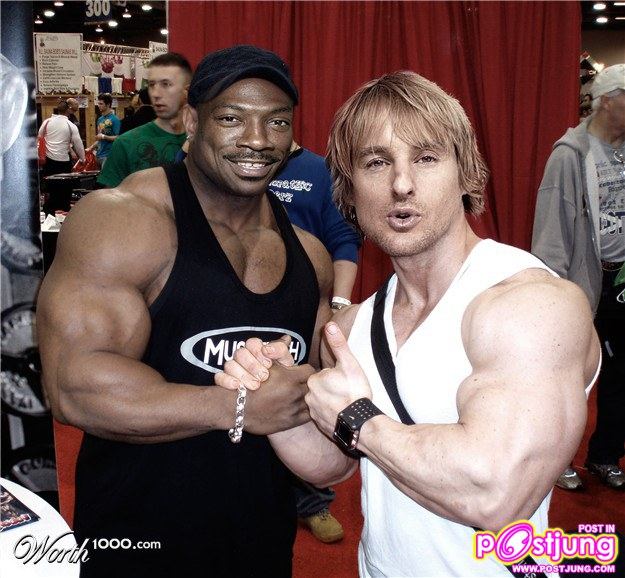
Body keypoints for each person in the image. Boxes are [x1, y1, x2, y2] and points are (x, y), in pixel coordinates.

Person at [218, 71, 601, 577]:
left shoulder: (531, 305)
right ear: (349, 190)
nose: (401, 184)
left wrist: (355, 416)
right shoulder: (352, 326)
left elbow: (496, 493)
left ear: (465, 173)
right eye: (376, 163)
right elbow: (337, 464)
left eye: (426, 158)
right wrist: (269, 388)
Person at [37, 45, 335, 577]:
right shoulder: (123, 222)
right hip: (136, 544)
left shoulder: (310, 256)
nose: (258, 139)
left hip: (261, 543)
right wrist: (236, 407)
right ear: (193, 121)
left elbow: (310, 411)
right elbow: (74, 387)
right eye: (232, 118)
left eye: (277, 121)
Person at [532, 63, 625, 491]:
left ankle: (605, 456)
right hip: (581, 284)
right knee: (570, 378)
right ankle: (558, 459)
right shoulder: (570, 156)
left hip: (621, 282)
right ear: (609, 101)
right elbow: (551, 234)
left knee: (621, 376)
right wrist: (555, 294)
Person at [269, 141, 361, 542]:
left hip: (304, 305)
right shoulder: (237, 163)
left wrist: (338, 306)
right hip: (239, 301)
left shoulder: (319, 170)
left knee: (304, 397)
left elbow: (344, 239)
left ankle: (313, 502)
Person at [97, 53, 191, 188]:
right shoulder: (125, 144)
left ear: (186, 90)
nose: (156, 94)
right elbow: (110, 198)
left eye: (166, 84)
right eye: (152, 85)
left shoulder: (202, 143)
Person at [38, 99, 85, 177]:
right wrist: (82, 158)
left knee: (49, 183)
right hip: (64, 160)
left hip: (48, 161)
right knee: (64, 183)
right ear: (68, 110)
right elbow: (78, 144)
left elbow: (40, 136)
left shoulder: (47, 122)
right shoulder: (71, 125)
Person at [86, 93, 120, 168]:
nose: (98, 105)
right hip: (98, 154)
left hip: (108, 155)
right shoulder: (100, 119)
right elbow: (99, 139)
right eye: (98, 103)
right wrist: (90, 148)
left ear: (108, 104)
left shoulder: (115, 119)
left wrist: (104, 136)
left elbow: (118, 137)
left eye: (101, 104)